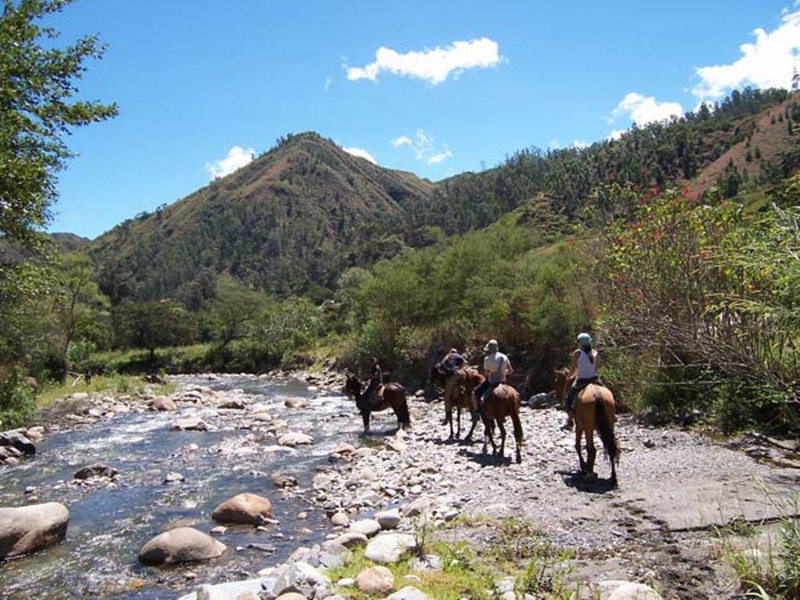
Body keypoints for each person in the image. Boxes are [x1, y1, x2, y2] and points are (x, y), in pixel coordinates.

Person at [562, 332, 602, 430]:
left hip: (582, 380)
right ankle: (612, 415)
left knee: (568, 398)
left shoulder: (578, 353)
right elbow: (596, 369)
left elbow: (573, 368)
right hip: (595, 379)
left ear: (580, 343)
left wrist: (569, 377)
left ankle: (569, 420)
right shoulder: (595, 353)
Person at [474, 339, 513, 405]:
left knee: (476, 393)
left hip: (492, 382)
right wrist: (503, 373)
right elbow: (510, 371)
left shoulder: (487, 359)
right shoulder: (504, 356)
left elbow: (486, 374)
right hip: (503, 381)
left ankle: (477, 410)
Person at [437, 348, 467, 413]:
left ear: (450, 352)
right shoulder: (458, 356)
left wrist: (446, 372)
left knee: (447, 396)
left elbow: (440, 370)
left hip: (452, 375)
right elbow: (465, 363)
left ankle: (447, 414)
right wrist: (460, 368)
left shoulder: (447, 357)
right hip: (460, 373)